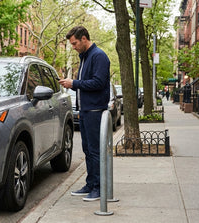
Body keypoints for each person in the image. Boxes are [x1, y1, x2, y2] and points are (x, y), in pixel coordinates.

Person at [58, 26, 110, 201]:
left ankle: (98, 188)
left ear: (84, 39)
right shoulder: (86, 57)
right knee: (88, 150)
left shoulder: (99, 56)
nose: (73, 47)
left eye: (75, 43)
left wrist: (74, 83)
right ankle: (90, 184)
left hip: (95, 111)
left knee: (95, 151)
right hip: (86, 111)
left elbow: (98, 83)